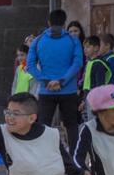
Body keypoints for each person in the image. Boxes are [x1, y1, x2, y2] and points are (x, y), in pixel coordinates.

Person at [26, 9, 84, 149]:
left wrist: (45, 81)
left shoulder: (38, 41)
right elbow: (78, 63)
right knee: (71, 126)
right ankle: (75, 159)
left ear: (48, 23)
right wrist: (62, 81)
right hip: (68, 90)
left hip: (46, 91)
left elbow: (30, 65)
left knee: (43, 126)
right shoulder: (73, 40)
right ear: (64, 24)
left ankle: (44, 157)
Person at [80, 36, 109, 121]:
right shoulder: (89, 62)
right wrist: (84, 100)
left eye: (88, 47)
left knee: (94, 122)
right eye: (84, 47)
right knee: (89, 121)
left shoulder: (98, 64)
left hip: (95, 99)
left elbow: (100, 84)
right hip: (88, 97)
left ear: (96, 48)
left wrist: (97, 100)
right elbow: (86, 85)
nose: (85, 49)